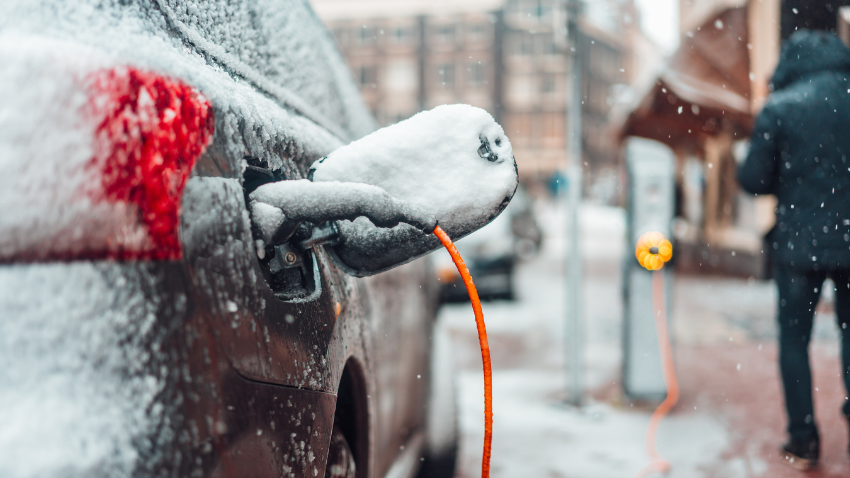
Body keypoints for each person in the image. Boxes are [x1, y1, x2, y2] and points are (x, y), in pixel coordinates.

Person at [738, 29, 850, 471]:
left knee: (794, 340)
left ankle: (803, 438)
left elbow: (753, 180)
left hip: (798, 246)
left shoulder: (781, 106)